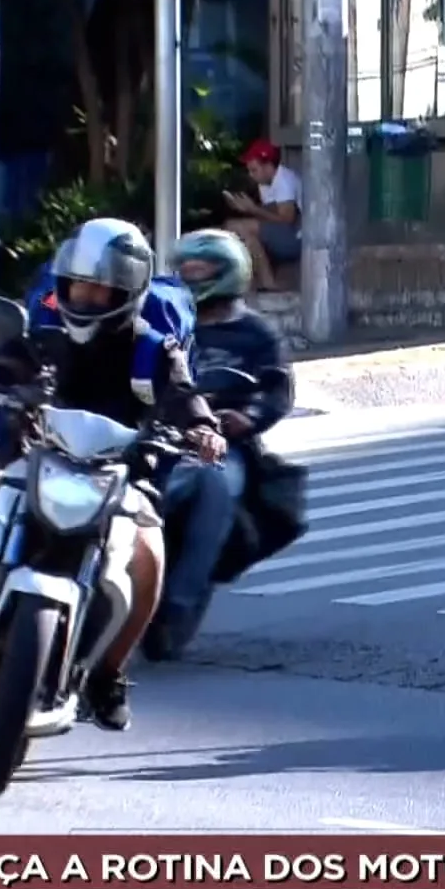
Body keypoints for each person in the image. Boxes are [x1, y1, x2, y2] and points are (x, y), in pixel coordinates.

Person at [0, 218, 226, 732]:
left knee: (149, 555)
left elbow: (183, 393)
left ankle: (109, 673)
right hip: (42, 456)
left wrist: (202, 428)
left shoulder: (154, 348)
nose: (87, 297)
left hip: (120, 475)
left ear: (129, 290)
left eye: (101, 287)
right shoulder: (46, 336)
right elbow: (9, 360)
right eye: (78, 285)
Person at [150, 228, 296, 658]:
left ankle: (182, 597)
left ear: (229, 273)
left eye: (202, 269)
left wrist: (245, 418)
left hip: (222, 443)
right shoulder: (166, 319)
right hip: (159, 434)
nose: (192, 277)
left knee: (218, 487)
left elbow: (277, 390)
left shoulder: (255, 333)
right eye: (186, 269)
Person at [223, 139, 302, 292]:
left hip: (298, 238)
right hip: (283, 233)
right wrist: (245, 209)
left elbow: (288, 219)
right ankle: (266, 282)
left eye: (254, 170)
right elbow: (270, 217)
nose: (251, 175)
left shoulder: (284, 180)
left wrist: (252, 210)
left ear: (268, 166)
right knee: (242, 233)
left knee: (239, 227)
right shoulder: (264, 184)